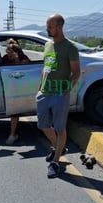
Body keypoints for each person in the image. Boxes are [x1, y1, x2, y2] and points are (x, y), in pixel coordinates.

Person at [36, 14, 81, 178]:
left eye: (50, 27)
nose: (47, 29)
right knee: (43, 125)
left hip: (59, 94)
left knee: (60, 128)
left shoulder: (70, 47)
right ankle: (59, 148)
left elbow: (76, 73)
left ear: (60, 27)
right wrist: (40, 88)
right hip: (44, 93)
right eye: (47, 26)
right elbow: (45, 67)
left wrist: (65, 91)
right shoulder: (47, 45)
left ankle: (55, 162)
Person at [1, 41, 30, 144]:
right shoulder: (5, 58)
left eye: (9, 51)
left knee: (15, 112)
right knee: (13, 111)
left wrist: (16, 59)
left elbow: (23, 70)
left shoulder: (23, 58)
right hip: (9, 88)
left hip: (22, 89)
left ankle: (12, 134)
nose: (7, 53)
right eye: (7, 51)